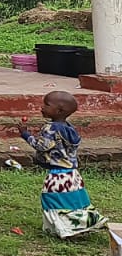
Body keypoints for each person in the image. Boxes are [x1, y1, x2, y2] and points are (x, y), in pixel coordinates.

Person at [21, 91, 107, 238]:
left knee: (54, 199)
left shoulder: (51, 129)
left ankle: (65, 228)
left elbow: (42, 146)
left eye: (46, 105)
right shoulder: (69, 128)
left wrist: (25, 135)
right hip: (71, 173)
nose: (42, 107)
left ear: (59, 110)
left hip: (58, 174)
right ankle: (83, 222)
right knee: (73, 198)